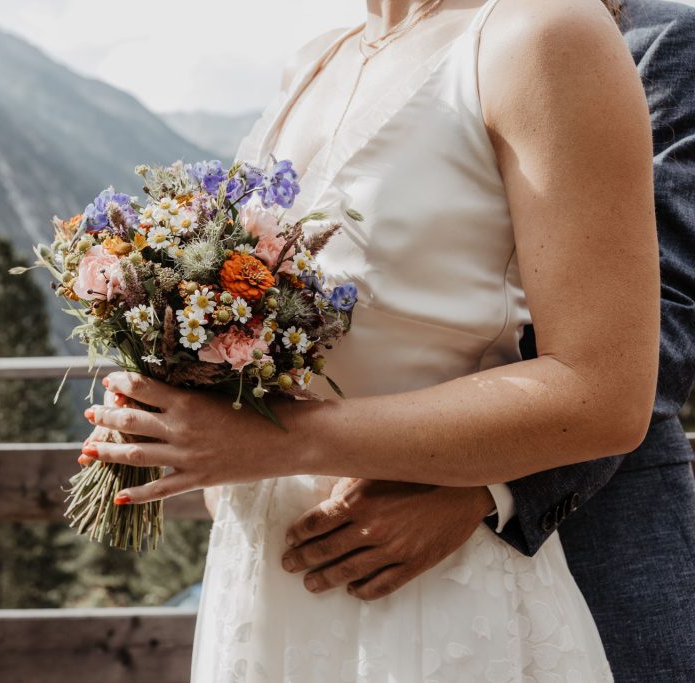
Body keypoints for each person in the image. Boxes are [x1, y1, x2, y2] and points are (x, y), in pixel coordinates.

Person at [81, 0, 660, 678]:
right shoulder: (317, 60)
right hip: (261, 592)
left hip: (434, 600)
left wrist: (274, 442)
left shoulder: (544, 33)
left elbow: (604, 392)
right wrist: (191, 397)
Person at [274, 0, 695, 680]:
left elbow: (664, 316)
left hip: (591, 531)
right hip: (328, 540)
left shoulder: (658, 40)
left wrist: (478, 487)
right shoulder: (337, 60)